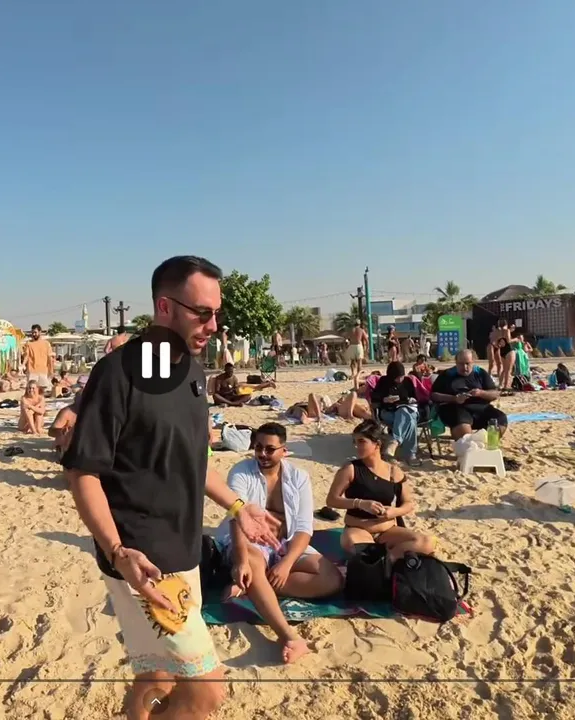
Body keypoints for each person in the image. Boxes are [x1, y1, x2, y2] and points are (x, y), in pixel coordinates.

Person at [62, 255, 280, 720]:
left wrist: (238, 506)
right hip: (141, 560)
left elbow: (193, 461)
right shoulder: (117, 374)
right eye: (202, 313)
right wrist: (118, 551)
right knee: (207, 691)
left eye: (216, 313)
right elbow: (82, 473)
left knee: (157, 676)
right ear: (164, 307)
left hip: (185, 552)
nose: (213, 326)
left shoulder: (192, 374)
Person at [207, 423, 342, 663]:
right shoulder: (241, 471)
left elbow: (303, 527)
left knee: (332, 579)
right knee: (251, 562)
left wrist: (286, 564)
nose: (262, 454)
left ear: (284, 451)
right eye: (258, 447)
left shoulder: (299, 477)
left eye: (270, 449)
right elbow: (236, 516)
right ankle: (288, 636)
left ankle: (255, 588)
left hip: (284, 543)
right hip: (248, 540)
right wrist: (240, 560)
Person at [326, 419, 435, 558]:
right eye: (355, 442)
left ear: (377, 444)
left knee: (425, 543)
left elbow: (408, 503)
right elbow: (332, 500)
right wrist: (360, 503)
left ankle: (387, 561)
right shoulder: (351, 469)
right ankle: (387, 560)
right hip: (358, 529)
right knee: (361, 550)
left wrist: (394, 511)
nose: (356, 446)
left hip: (388, 530)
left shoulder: (393, 471)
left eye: (361, 441)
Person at [430, 350, 507, 441]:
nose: (464, 367)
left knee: (500, 419)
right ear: (456, 362)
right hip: (456, 409)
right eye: (461, 364)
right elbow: (434, 395)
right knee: (463, 430)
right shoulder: (447, 375)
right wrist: (454, 398)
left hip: (480, 408)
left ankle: (484, 441)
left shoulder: (480, 373)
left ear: (472, 362)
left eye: (467, 363)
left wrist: (481, 393)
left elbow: (495, 394)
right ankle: (469, 441)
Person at [371, 361, 419, 465]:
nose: (400, 379)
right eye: (397, 377)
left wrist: (410, 399)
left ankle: (394, 441)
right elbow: (374, 398)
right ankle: (411, 455)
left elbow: (415, 398)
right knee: (410, 420)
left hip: (408, 409)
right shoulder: (384, 381)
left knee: (404, 411)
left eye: (402, 376)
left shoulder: (407, 381)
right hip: (389, 412)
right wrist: (384, 399)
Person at [22, 325, 56, 391]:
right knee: (31, 390)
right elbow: (26, 356)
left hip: (43, 371)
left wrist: (51, 370)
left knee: (43, 390)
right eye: (32, 332)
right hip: (32, 371)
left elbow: (50, 358)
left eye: (35, 332)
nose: (33, 334)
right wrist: (23, 365)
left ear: (40, 332)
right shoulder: (29, 344)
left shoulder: (46, 344)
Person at [348, 321, 368, 386]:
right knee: (359, 361)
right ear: (359, 324)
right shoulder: (361, 330)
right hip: (358, 345)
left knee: (352, 361)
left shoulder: (351, 330)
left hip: (351, 345)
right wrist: (367, 348)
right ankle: (358, 375)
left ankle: (352, 374)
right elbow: (366, 339)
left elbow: (347, 338)